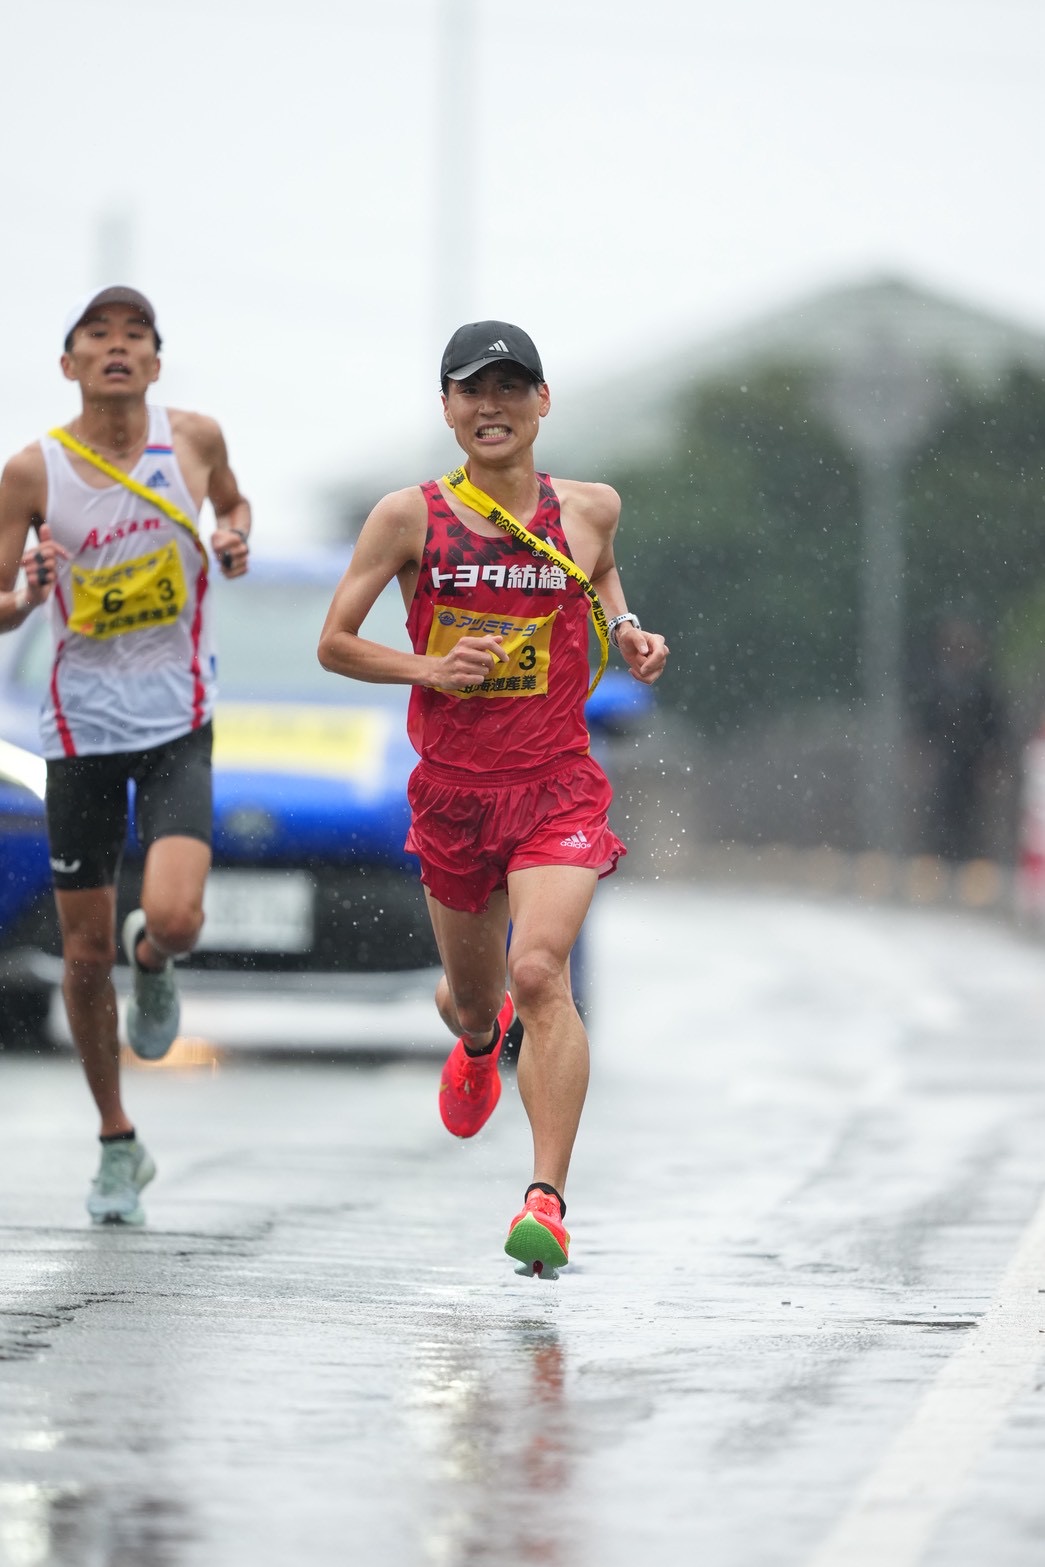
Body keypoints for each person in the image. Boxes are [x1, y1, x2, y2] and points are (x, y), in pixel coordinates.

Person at [318, 320, 668, 1275]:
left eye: (511, 389)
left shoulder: (591, 507)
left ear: (541, 404)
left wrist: (627, 628)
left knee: (541, 970)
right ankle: (476, 1039)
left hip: (556, 782)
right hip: (455, 796)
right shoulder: (407, 518)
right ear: (447, 409)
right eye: (472, 392)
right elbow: (336, 642)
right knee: (480, 1000)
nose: (492, 407)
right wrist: (431, 664)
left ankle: (546, 1201)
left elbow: (594, 574)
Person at [0, 284, 251, 1226]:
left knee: (176, 917)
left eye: (134, 336)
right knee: (78, 953)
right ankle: (116, 1142)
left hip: (179, 716)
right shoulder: (33, 472)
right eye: (97, 336)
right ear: (68, 365)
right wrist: (26, 595)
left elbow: (235, 511)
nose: (116, 348)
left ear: (154, 361)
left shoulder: (191, 440)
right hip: (79, 731)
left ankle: (158, 956)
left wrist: (231, 540)